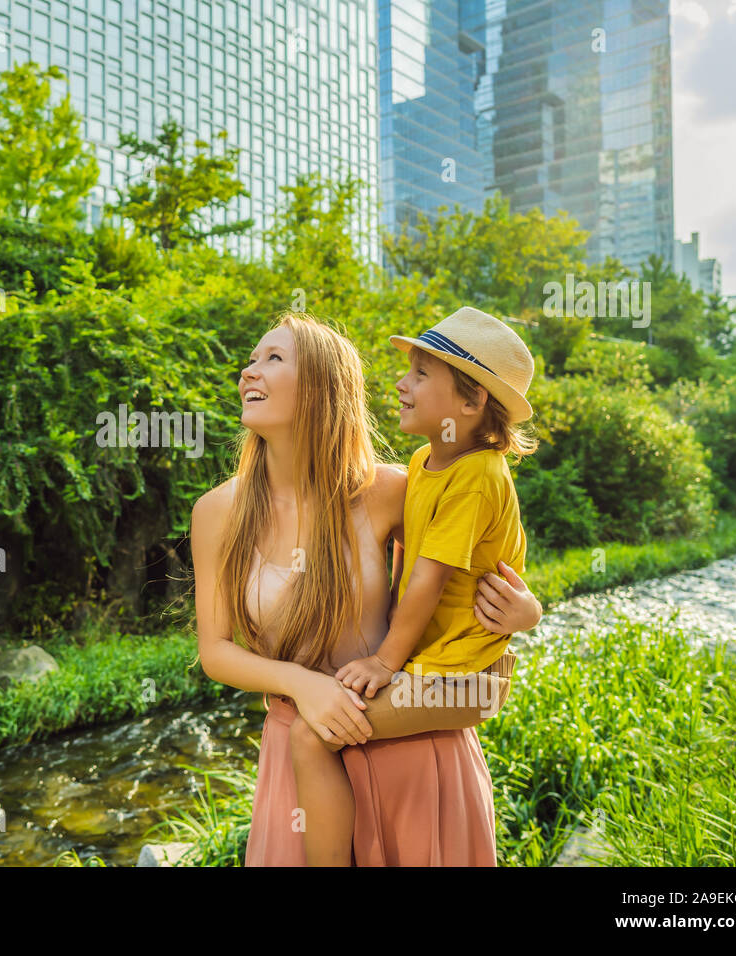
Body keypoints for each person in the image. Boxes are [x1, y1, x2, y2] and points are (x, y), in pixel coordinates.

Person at [190, 309, 542, 867]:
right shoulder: (216, 512)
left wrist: (526, 612)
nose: (248, 372)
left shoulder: (391, 489)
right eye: (251, 359)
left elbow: (463, 572)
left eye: (273, 358)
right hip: (301, 755)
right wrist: (303, 686)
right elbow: (216, 651)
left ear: (324, 389)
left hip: (412, 749)